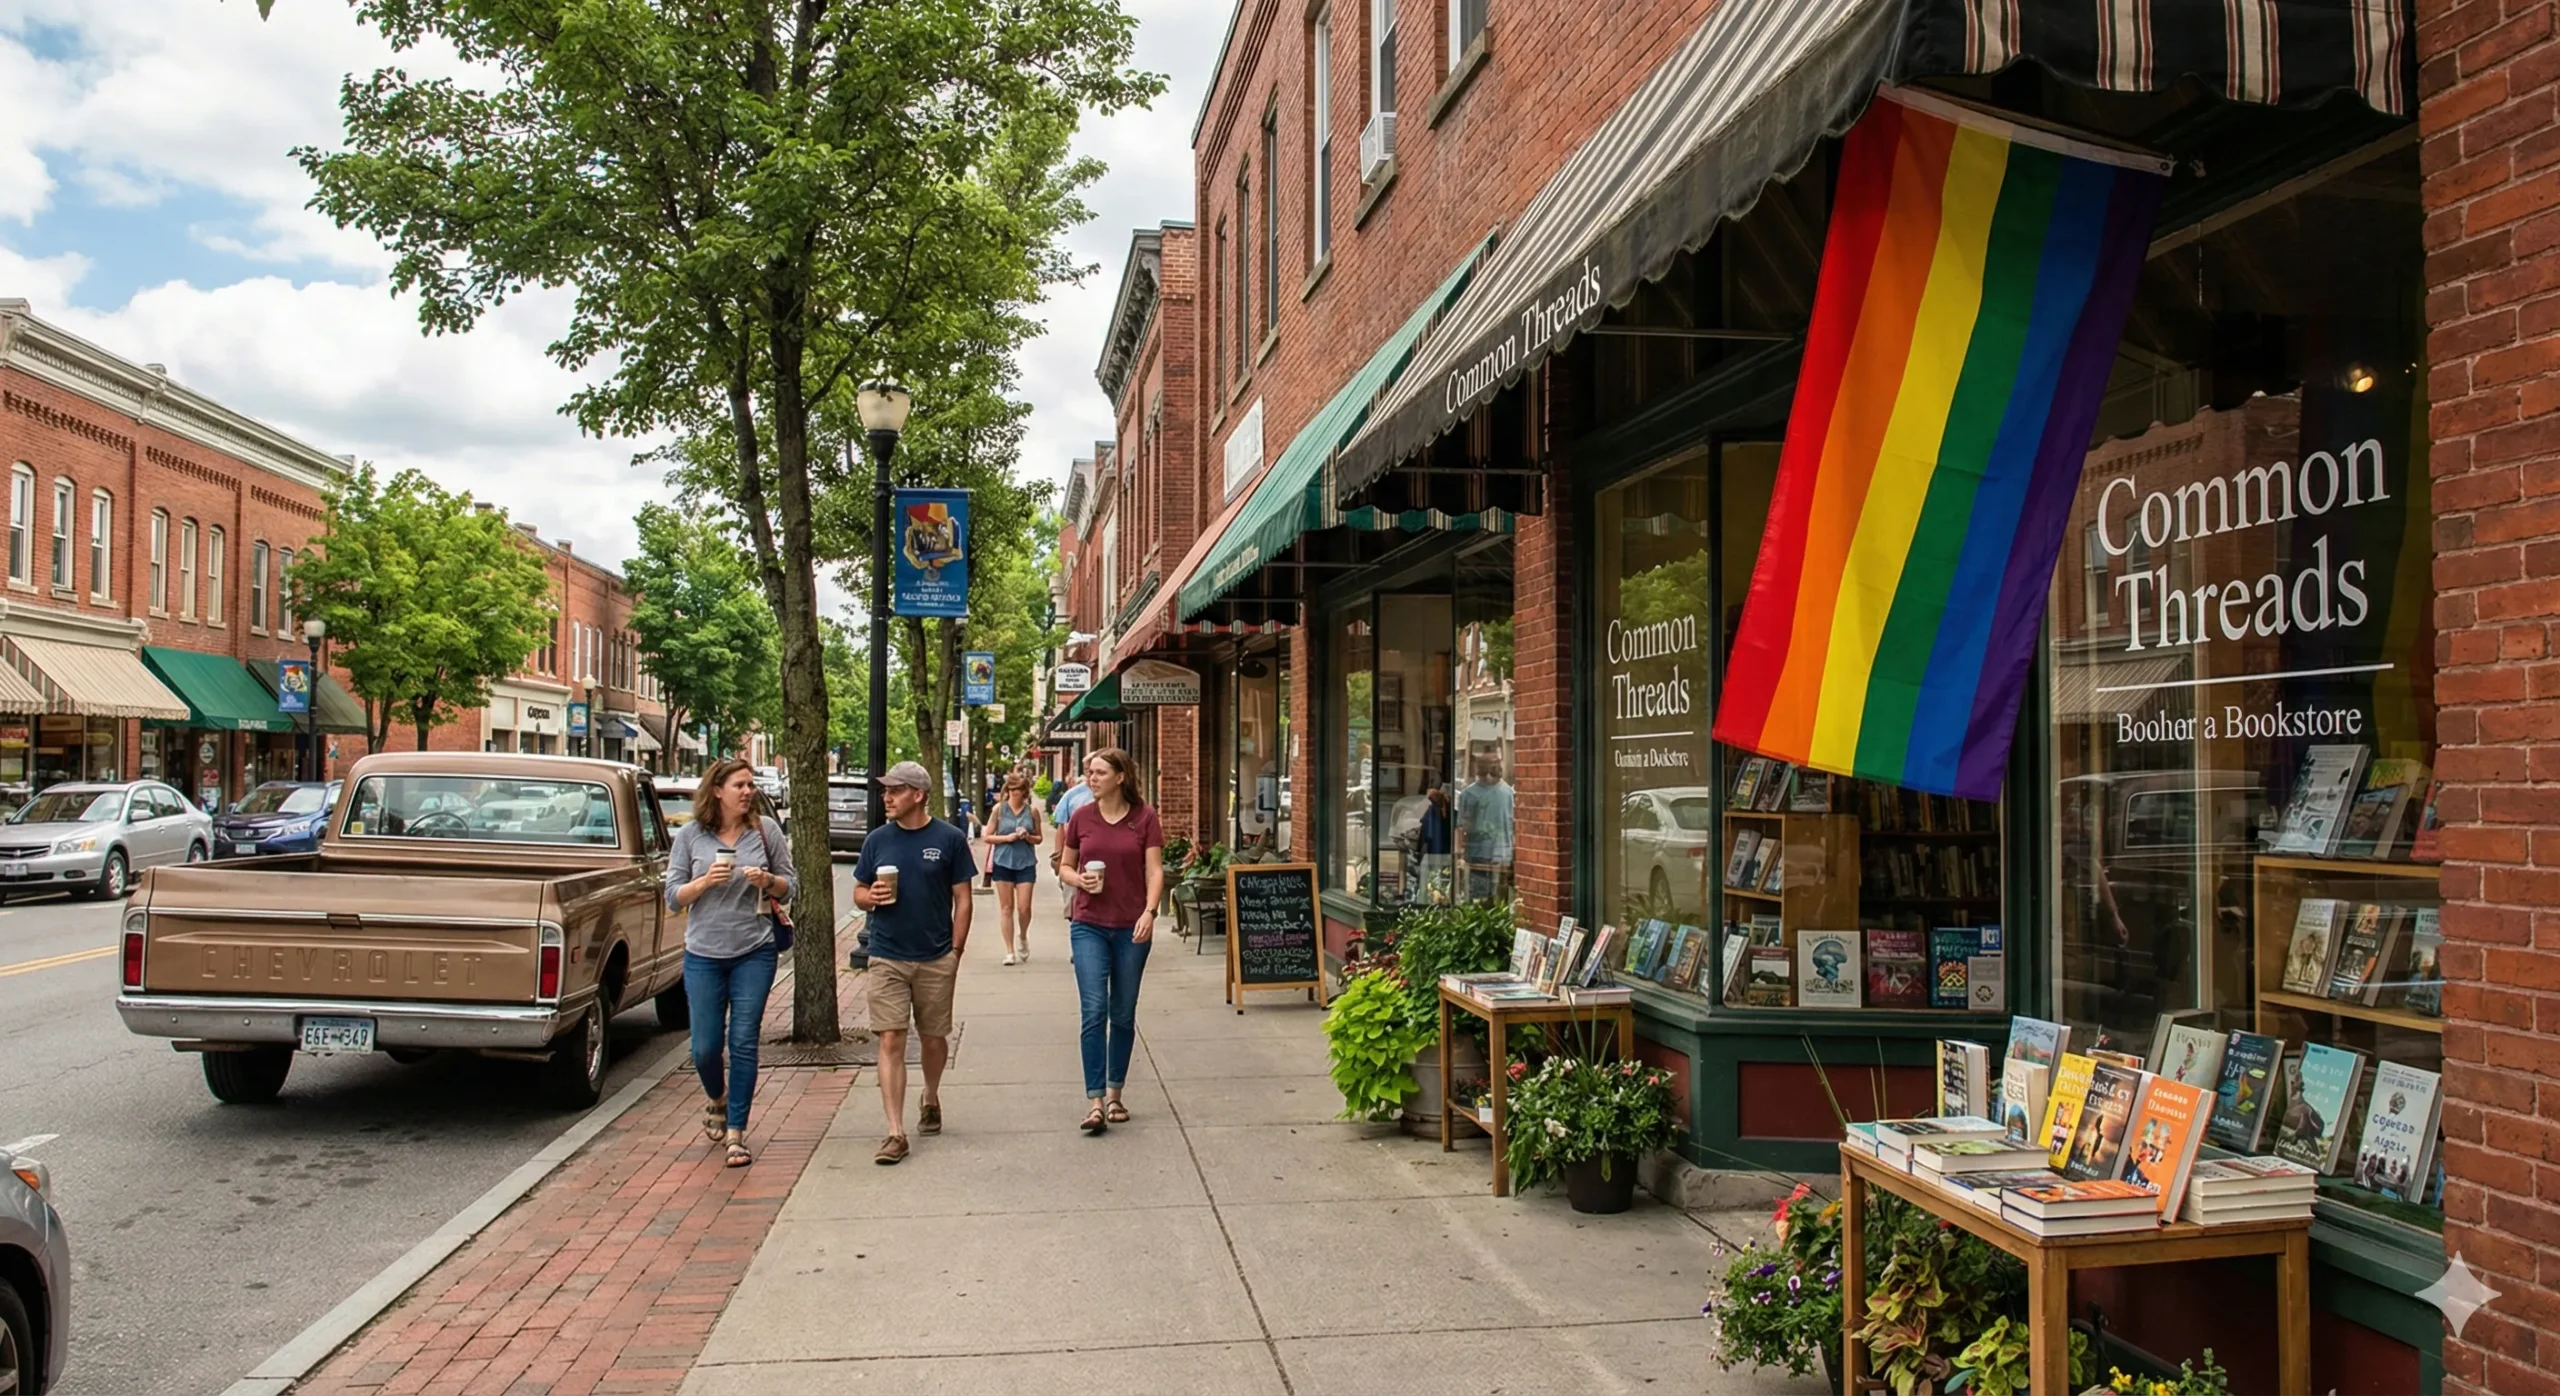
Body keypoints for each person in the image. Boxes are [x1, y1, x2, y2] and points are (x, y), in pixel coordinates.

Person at [663, 757, 792, 1168]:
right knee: (704, 1048)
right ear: (717, 790)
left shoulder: (765, 832)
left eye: (751, 784)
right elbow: (671, 896)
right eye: (739, 785)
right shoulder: (690, 836)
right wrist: (703, 883)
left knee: (742, 1042)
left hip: (754, 950)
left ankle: (737, 1131)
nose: (748, 791)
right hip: (703, 953)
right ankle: (716, 1098)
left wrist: (767, 881)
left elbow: (792, 886)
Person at [851, 761, 976, 1166]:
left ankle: (931, 1095)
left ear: (918, 795)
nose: (886, 797)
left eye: (895, 790)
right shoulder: (877, 840)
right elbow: (859, 889)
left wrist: (955, 951)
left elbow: (963, 897)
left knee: (934, 1036)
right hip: (886, 954)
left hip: (935, 954)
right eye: (885, 791)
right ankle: (894, 1132)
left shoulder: (950, 839)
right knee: (890, 1039)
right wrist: (868, 899)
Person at [1058, 748, 1165, 1135]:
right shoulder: (1081, 817)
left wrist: (1149, 912)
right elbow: (1065, 865)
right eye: (1089, 772)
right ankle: (1096, 1101)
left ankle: (1116, 1093)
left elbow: (1155, 871)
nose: (1092, 778)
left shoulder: (1145, 818)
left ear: (1121, 777)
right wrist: (1077, 880)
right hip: (1088, 923)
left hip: (1131, 926)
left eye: (1100, 772)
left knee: (1122, 1012)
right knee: (1094, 1009)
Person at [979, 772, 1045, 964]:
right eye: (1011, 790)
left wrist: (1028, 837)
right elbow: (987, 836)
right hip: (1003, 861)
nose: (1014, 793)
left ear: (1024, 792)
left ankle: (1023, 935)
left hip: (1025, 862)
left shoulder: (1031, 812)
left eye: (1018, 790)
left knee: (1024, 907)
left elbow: (1039, 838)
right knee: (1006, 907)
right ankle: (1009, 951)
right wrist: (1006, 838)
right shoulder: (999, 810)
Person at [1454, 755, 1517, 902]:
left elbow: (1514, 824)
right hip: (1480, 854)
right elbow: (1461, 827)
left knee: (1493, 899)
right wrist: (1458, 855)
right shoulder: (1469, 794)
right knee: (1484, 898)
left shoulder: (1507, 793)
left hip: (1501, 855)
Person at [1049, 766, 1096, 875]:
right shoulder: (1073, 796)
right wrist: (1058, 855)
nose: (1092, 776)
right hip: (1076, 863)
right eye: (1089, 771)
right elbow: (1061, 825)